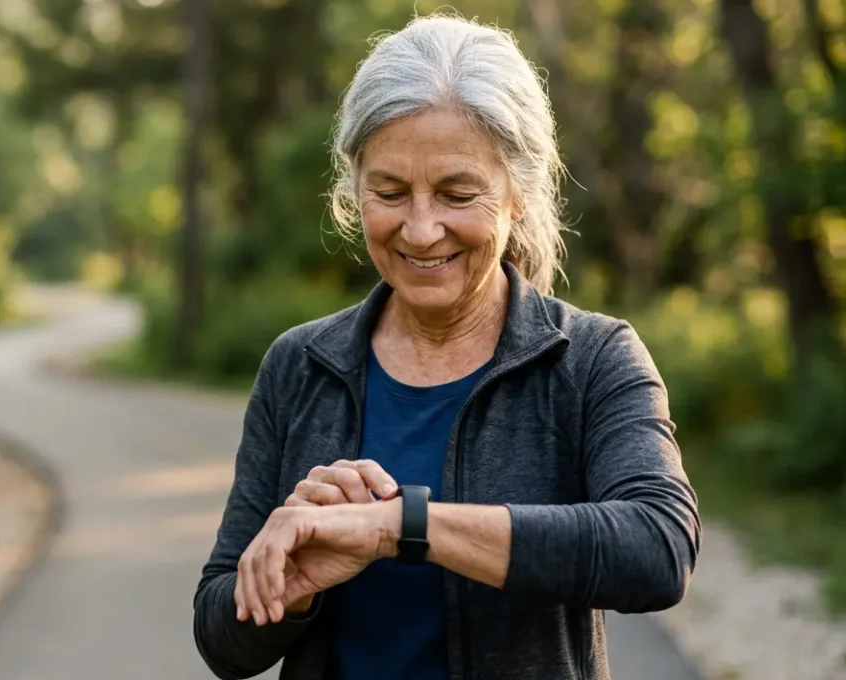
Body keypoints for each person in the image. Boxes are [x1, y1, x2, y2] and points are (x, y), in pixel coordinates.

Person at [192, 14, 701, 680]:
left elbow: (656, 549)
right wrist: (294, 589)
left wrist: (400, 527)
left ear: (517, 194)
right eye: (390, 192)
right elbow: (220, 636)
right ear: (353, 190)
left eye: (457, 193)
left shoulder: (593, 358)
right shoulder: (300, 365)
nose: (422, 228)